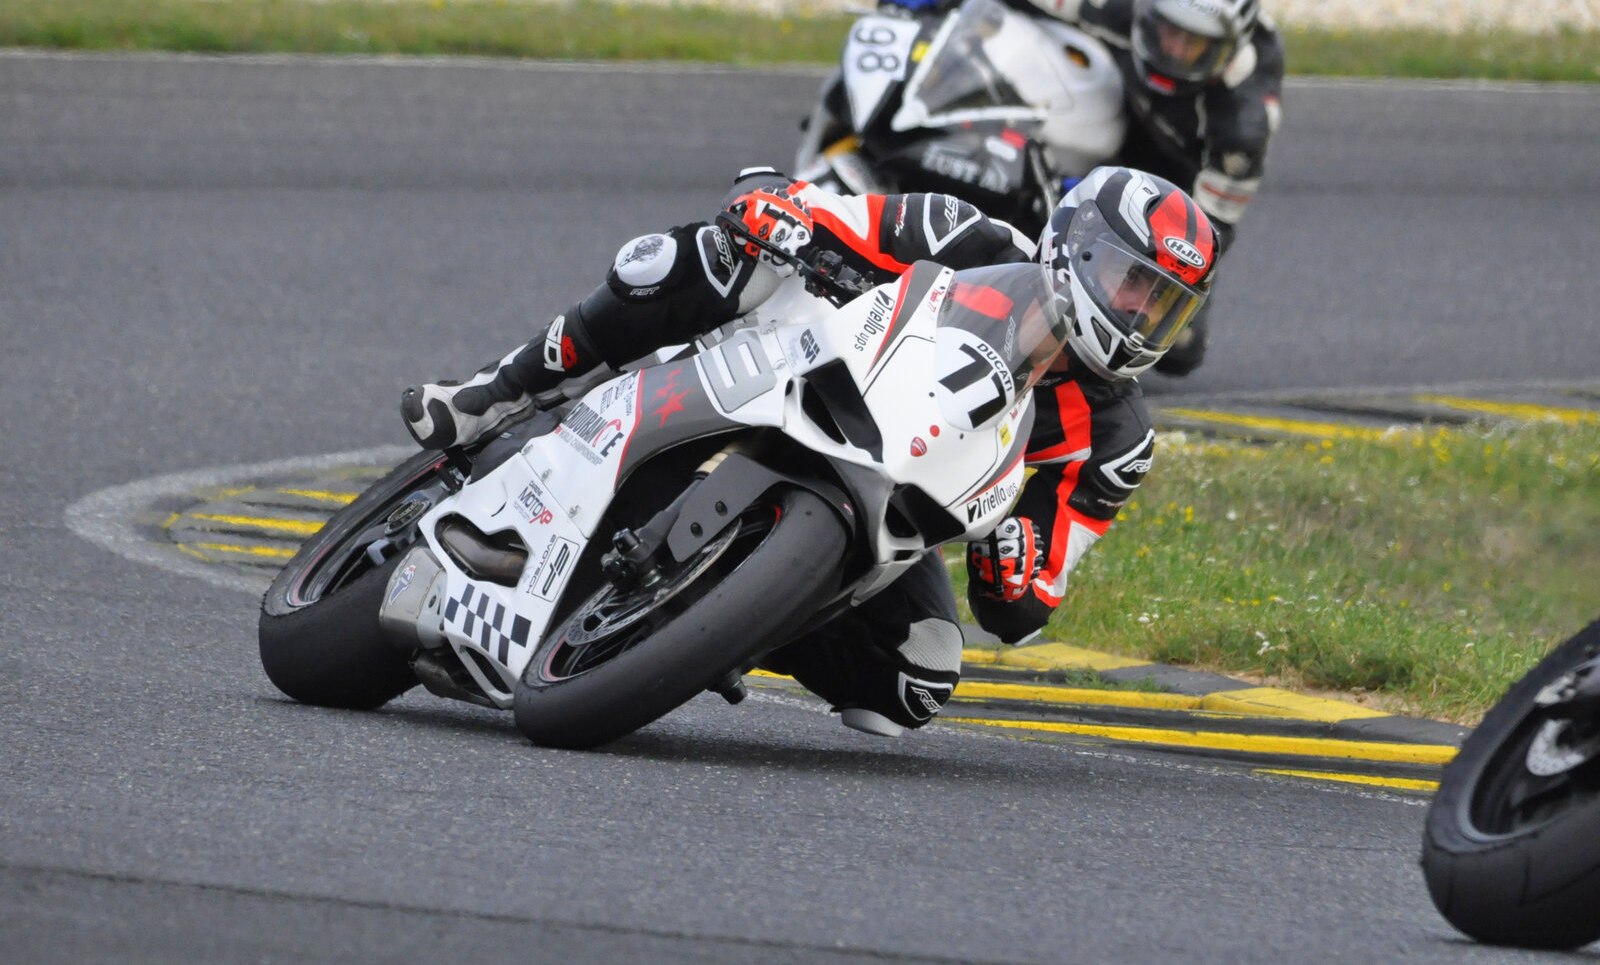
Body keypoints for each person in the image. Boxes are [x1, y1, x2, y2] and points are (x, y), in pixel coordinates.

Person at [401, 165, 1216, 737]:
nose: (1140, 313)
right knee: (704, 257)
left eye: (1164, 304)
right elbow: (829, 214)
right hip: (807, 360)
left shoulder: (1117, 442)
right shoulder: (965, 235)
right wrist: (781, 211)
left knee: (918, 676)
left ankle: (714, 626)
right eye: (1132, 281)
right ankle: (497, 389)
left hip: (895, 499)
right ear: (1076, 245)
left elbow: (1031, 591)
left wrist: (1019, 564)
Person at [879, 0, 1283, 374]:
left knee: (1179, 347)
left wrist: (1129, 245)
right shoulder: (1124, 6)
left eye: (1196, 45)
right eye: (1168, 31)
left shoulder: (1244, 123)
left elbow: (1212, 230)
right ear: (1147, 10)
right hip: (1109, 133)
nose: (1174, 51)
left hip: (1175, 190)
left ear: (1228, 48)